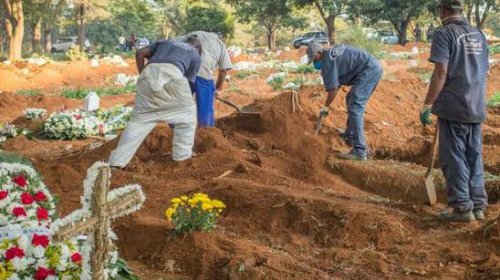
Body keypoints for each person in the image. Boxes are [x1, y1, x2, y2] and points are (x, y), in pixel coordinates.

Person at [420, 0, 489, 223]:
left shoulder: (444, 34)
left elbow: (440, 72)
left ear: (444, 11)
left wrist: (428, 104)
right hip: (476, 105)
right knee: (473, 156)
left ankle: (461, 207)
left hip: (453, 106)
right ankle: (478, 205)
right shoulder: (479, 35)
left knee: (454, 157)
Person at [108, 37, 202, 168]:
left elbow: (139, 53)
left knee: (138, 122)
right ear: (198, 48)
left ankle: (116, 163)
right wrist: (181, 108)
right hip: (173, 76)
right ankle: (182, 159)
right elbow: (189, 84)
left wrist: (144, 76)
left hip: (148, 75)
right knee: (187, 118)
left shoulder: (165, 42)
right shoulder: (195, 53)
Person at [308, 42, 383, 161]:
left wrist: (326, 107)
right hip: (371, 67)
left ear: (318, 53)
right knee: (350, 98)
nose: (314, 62)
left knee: (355, 106)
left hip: (369, 70)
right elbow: (336, 86)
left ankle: (359, 150)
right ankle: (350, 134)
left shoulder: (327, 61)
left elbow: (333, 89)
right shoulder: (330, 53)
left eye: (314, 59)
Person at [180, 31, 232, 127]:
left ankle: (173, 131)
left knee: (180, 104)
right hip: (203, 76)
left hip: (184, 73)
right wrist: (217, 89)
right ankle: (206, 132)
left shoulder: (192, 34)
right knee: (205, 108)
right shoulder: (219, 43)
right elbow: (223, 70)